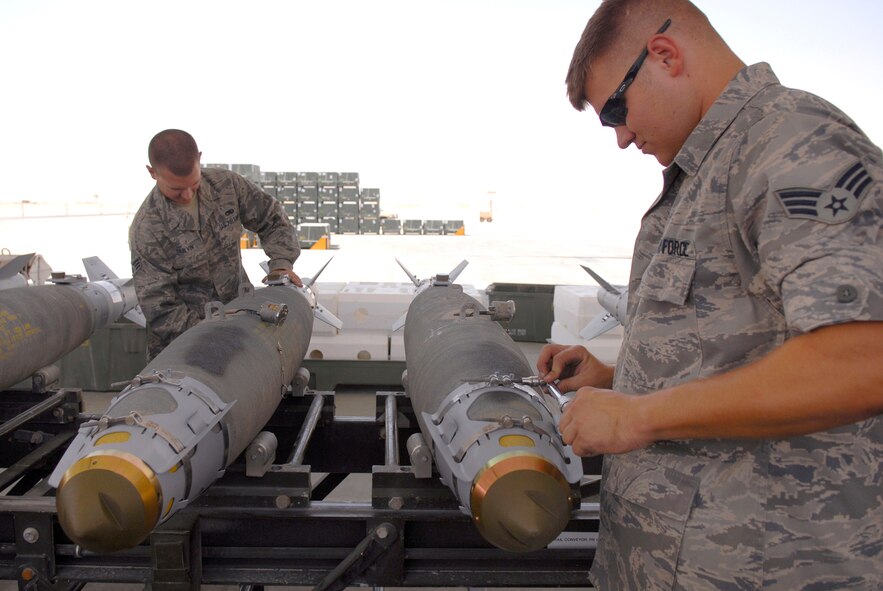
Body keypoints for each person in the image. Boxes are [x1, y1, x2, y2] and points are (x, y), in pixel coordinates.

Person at [538, 1, 882, 589]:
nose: (620, 137)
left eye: (615, 110)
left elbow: (864, 358)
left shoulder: (793, 143)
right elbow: (742, 347)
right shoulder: (711, 169)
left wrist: (640, 416)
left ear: (665, 55)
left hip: (768, 566)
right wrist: (623, 377)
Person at [129, 129, 303, 359]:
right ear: (153, 173)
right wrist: (212, 334)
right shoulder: (148, 228)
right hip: (183, 344)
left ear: (199, 159)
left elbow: (272, 219)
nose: (189, 195)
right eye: (176, 190)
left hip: (242, 319)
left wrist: (281, 264)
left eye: (194, 183)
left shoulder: (226, 186)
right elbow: (159, 306)